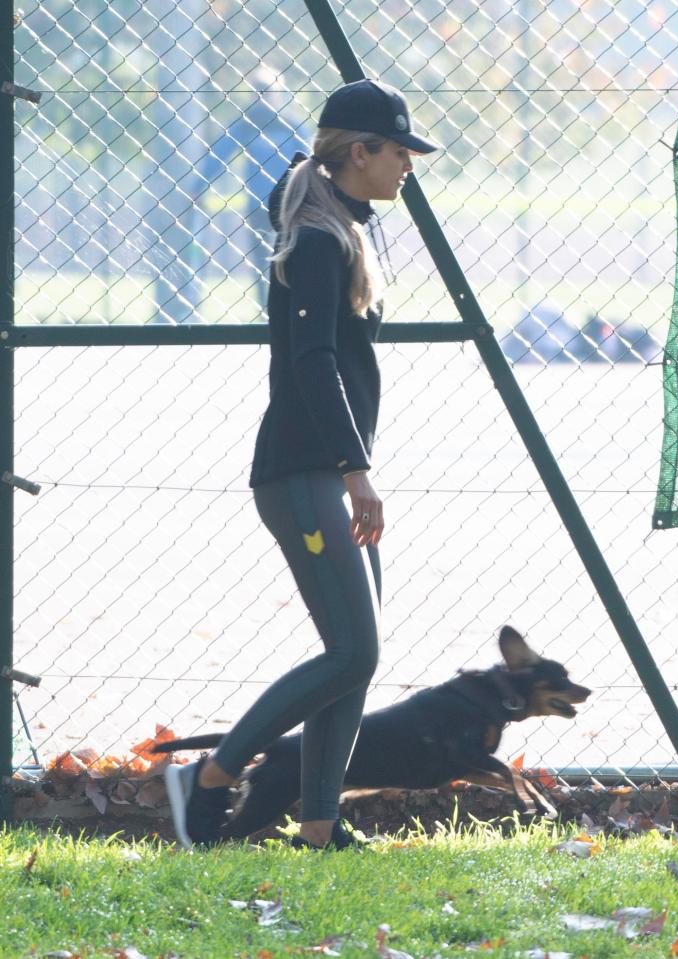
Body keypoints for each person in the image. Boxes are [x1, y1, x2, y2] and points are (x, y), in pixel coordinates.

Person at [166, 79, 439, 850]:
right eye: (399, 151)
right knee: (357, 649)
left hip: (330, 471)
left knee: (353, 657)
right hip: (305, 472)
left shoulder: (336, 222)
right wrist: (357, 470)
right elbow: (313, 363)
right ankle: (209, 777)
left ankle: (319, 824)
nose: (409, 166)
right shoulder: (318, 239)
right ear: (360, 152)